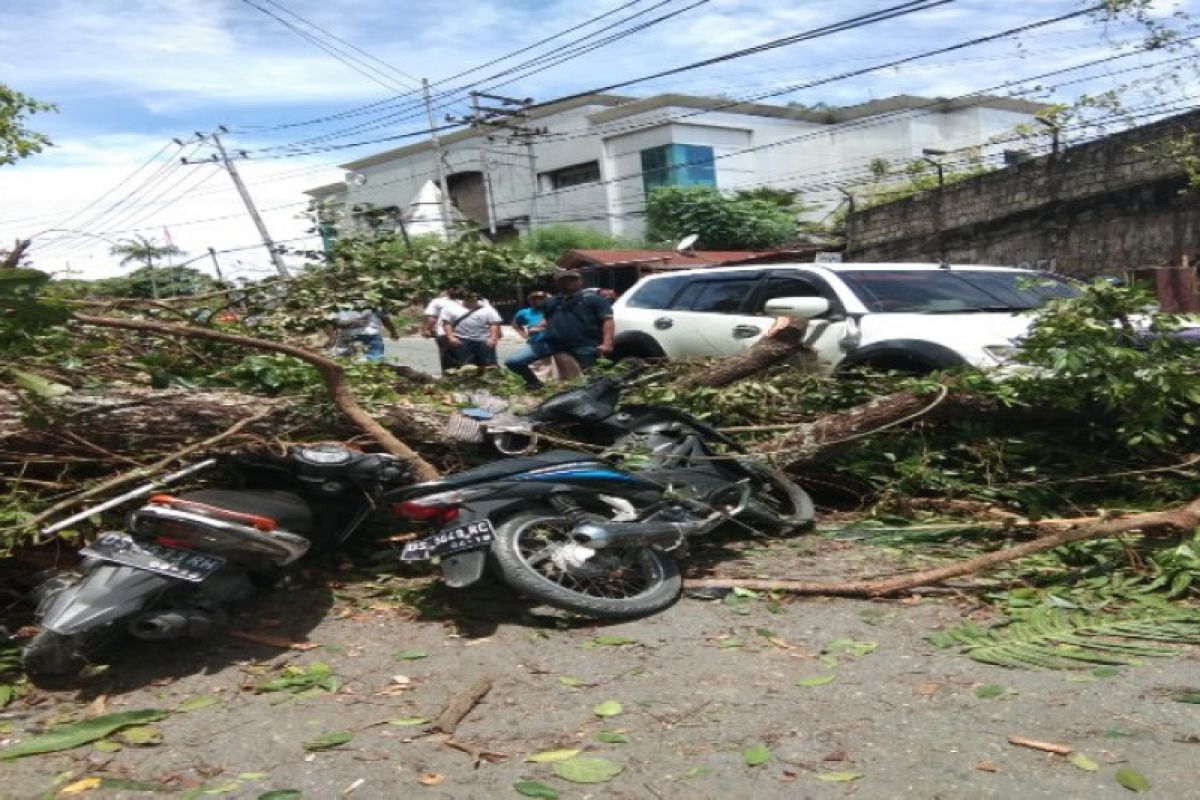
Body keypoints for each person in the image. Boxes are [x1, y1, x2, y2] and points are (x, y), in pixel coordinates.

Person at [505, 269, 613, 389]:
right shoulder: (551, 302)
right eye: (563, 280)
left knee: (594, 376)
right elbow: (548, 319)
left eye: (572, 279)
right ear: (556, 283)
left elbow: (607, 320)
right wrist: (536, 328)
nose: (567, 282)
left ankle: (601, 395)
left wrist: (607, 343)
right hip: (551, 342)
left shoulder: (594, 300)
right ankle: (535, 385)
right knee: (514, 361)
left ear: (580, 281)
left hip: (583, 343)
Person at [440, 291, 503, 370]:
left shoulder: (487, 309)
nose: (471, 300)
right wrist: (451, 337)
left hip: (484, 341)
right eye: (468, 297)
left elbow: (494, 324)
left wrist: (493, 338)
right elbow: (447, 323)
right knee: (466, 367)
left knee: (489, 366)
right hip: (462, 341)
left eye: (473, 297)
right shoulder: (451, 308)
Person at [326, 303, 398, 362]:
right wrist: (393, 332)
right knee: (374, 364)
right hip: (370, 335)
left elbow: (333, 322)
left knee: (350, 365)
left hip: (348, 335)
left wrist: (332, 337)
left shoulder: (336, 301)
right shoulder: (373, 299)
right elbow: (385, 319)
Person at [511, 290, 556, 382]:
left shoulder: (553, 309)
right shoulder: (524, 312)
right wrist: (524, 335)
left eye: (541, 298)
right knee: (534, 367)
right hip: (535, 344)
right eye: (533, 298)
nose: (537, 300)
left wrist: (539, 328)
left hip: (554, 343)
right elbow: (515, 324)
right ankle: (535, 383)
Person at [422, 286, 465, 371]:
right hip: (448, 334)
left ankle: (452, 378)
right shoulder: (470, 301)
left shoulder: (438, 302)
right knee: (462, 359)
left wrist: (426, 330)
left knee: (450, 361)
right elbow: (432, 318)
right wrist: (427, 330)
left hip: (449, 334)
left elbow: (432, 317)